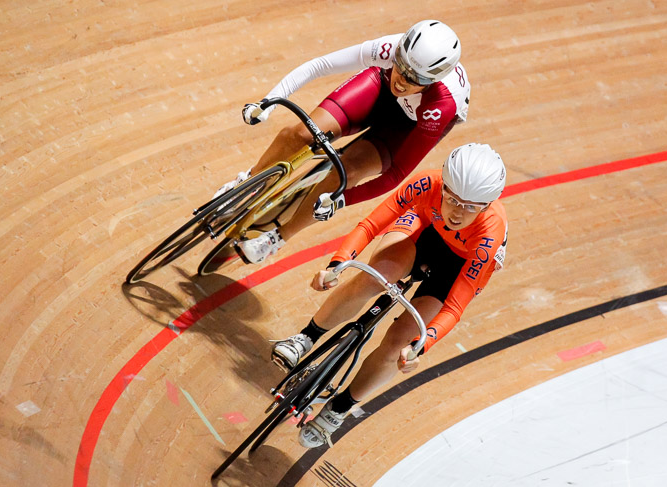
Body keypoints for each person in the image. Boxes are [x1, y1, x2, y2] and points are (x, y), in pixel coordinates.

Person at [271, 143, 508, 448]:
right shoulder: (426, 183)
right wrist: (337, 264)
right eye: (452, 199)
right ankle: (304, 338)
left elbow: (454, 306)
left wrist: (422, 346)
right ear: (444, 185)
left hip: (459, 264)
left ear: (487, 205)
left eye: (471, 206)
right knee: (375, 277)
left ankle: (338, 410)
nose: (459, 212)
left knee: (401, 342)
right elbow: (372, 224)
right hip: (423, 229)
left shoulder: (489, 236)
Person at [215, 20, 471, 264]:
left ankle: (278, 237)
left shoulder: (441, 105)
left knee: (348, 172)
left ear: (433, 81)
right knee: (301, 134)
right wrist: (268, 102)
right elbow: (319, 65)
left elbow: (396, 174)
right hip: (378, 87)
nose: (402, 80)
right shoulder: (389, 49)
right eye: (401, 66)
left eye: (416, 79)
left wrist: (342, 199)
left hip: (409, 125)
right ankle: (246, 183)